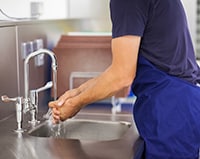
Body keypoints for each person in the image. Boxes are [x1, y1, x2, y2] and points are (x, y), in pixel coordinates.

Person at [49, 0, 200, 158]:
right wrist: (77, 93)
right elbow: (121, 70)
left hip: (171, 111)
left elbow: (121, 76)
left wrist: (77, 103)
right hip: (178, 105)